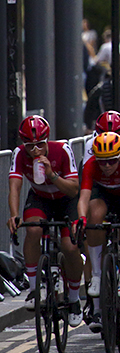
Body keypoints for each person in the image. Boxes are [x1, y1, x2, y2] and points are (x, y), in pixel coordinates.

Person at [7, 116, 83, 327]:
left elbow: (74, 188)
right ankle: (33, 289)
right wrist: (14, 215)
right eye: (30, 146)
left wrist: (51, 173)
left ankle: (75, 299)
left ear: (47, 140)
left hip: (65, 198)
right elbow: (14, 187)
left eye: (40, 144)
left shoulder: (62, 149)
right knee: (32, 230)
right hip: (40, 197)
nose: (35, 150)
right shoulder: (19, 154)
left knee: (69, 247)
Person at [77, 132, 120, 337]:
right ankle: (97, 274)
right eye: (103, 162)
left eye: (112, 161)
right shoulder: (91, 165)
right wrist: (81, 218)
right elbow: (83, 197)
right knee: (93, 213)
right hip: (103, 195)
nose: (107, 166)